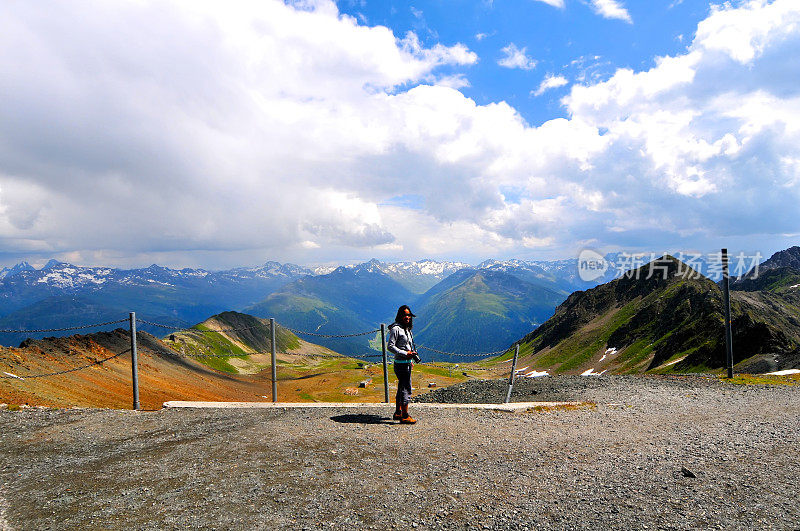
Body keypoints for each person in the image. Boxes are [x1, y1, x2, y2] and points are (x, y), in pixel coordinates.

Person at [387, 305, 418, 424]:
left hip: (406, 362)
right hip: (401, 364)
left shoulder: (407, 328)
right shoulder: (396, 329)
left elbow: (407, 345)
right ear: (400, 316)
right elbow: (390, 346)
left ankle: (398, 412)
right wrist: (405, 354)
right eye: (405, 315)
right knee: (406, 388)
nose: (407, 317)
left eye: (409, 315)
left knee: (401, 388)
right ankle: (405, 415)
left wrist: (410, 359)